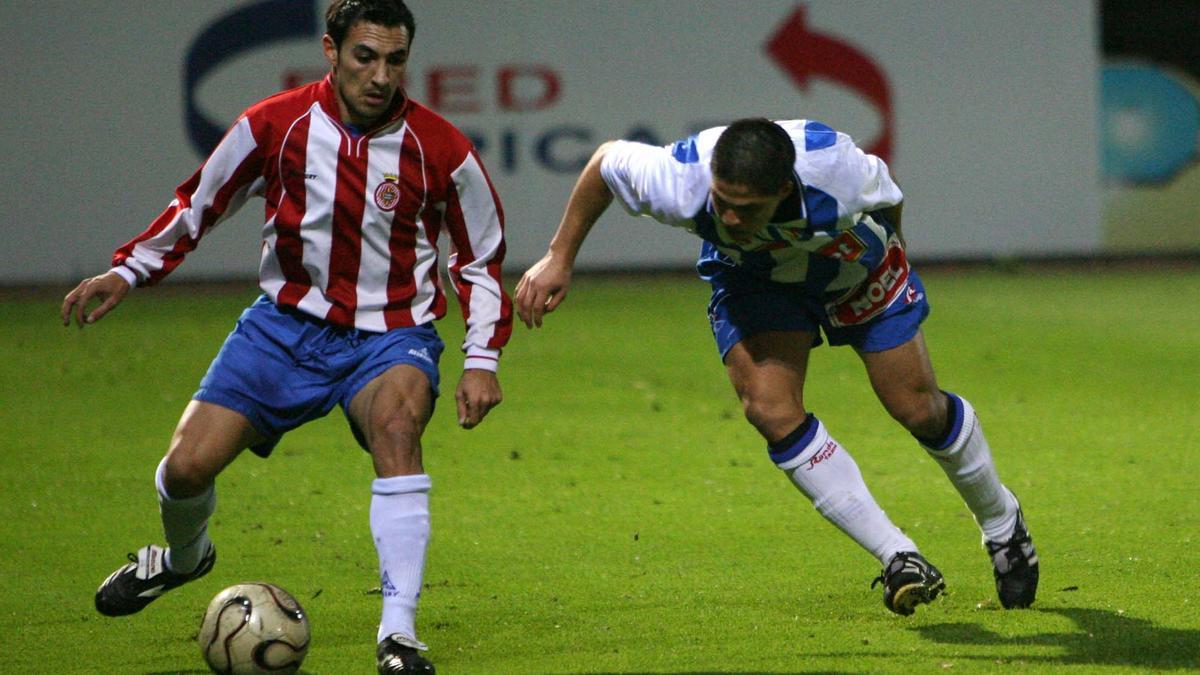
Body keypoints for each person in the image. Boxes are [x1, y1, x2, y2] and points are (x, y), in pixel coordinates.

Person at [61, 1, 510, 672]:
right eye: (365, 56)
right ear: (331, 51)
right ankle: (185, 558)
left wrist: (481, 358)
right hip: (283, 328)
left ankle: (398, 634)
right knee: (185, 469)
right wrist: (130, 269)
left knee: (397, 429)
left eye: (395, 60)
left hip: (391, 334)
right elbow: (198, 203)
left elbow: (479, 258)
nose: (381, 75)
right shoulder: (274, 124)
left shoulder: (441, 148)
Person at [515, 118, 1038, 615]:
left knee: (917, 408)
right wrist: (559, 257)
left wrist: (896, 257)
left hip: (855, 267)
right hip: (755, 279)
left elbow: (890, 194)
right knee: (770, 409)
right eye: (723, 203)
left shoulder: (838, 175)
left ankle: (1000, 521)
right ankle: (899, 556)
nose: (731, 219)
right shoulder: (681, 179)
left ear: (785, 192)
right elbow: (606, 162)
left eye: (747, 208)